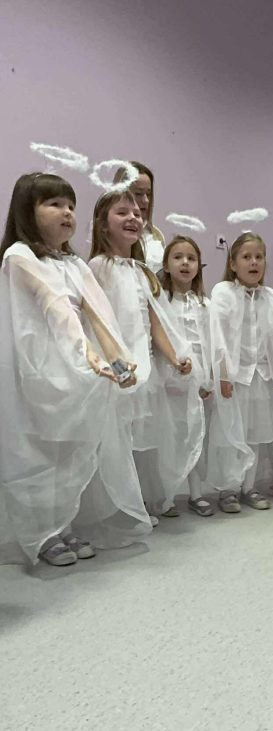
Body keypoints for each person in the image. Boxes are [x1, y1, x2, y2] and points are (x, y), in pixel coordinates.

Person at [0, 172, 151, 567]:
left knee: (70, 452)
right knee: (38, 453)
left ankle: (63, 524)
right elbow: (54, 305)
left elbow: (97, 312)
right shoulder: (19, 255)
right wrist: (90, 355)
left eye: (70, 205)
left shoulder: (74, 263)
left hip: (76, 369)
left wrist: (117, 358)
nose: (66, 212)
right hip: (39, 368)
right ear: (27, 211)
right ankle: (41, 534)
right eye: (54, 204)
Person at [89, 190, 204, 517]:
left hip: (144, 370)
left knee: (142, 439)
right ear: (103, 224)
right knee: (116, 437)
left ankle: (142, 500)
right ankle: (120, 508)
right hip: (117, 370)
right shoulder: (98, 266)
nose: (133, 218)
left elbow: (155, 322)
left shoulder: (142, 271)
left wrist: (174, 358)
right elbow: (96, 322)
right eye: (122, 212)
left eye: (137, 213)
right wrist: (114, 363)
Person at [208, 232, 273, 513]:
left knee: (257, 434)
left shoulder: (270, 297)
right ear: (233, 263)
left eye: (259, 257)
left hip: (262, 377)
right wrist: (223, 374)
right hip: (234, 378)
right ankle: (228, 489)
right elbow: (218, 337)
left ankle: (249, 486)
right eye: (246, 257)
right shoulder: (223, 292)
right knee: (229, 433)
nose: (254, 262)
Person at [160, 235, 215, 516]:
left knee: (196, 436)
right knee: (169, 438)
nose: (185, 263)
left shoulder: (205, 304)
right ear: (166, 265)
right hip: (170, 381)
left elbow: (210, 344)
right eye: (178, 257)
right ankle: (166, 496)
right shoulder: (161, 302)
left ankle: (196, 493)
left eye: (191, 258)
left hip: (199, 382)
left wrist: (208, 380)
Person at [113, 161, 165, 272]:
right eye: (138, 193)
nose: (146, 200)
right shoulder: (107, 231)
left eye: (148, 194)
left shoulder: (156, 235)